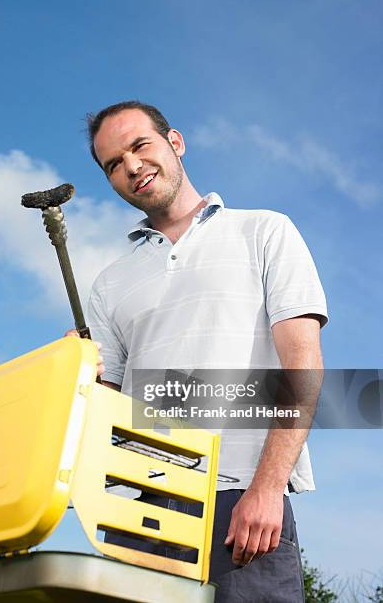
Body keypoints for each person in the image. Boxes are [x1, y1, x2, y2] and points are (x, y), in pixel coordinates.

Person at [67, 100, 328, 602]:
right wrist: (77, 373)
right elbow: (108, 406)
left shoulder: (264, 231)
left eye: (140, 146)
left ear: (176, 143)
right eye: (113, 164)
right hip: (144, 509)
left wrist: (268, 488)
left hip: (242, 501)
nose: (132, 167)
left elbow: (302, 364)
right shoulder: (109, 284)